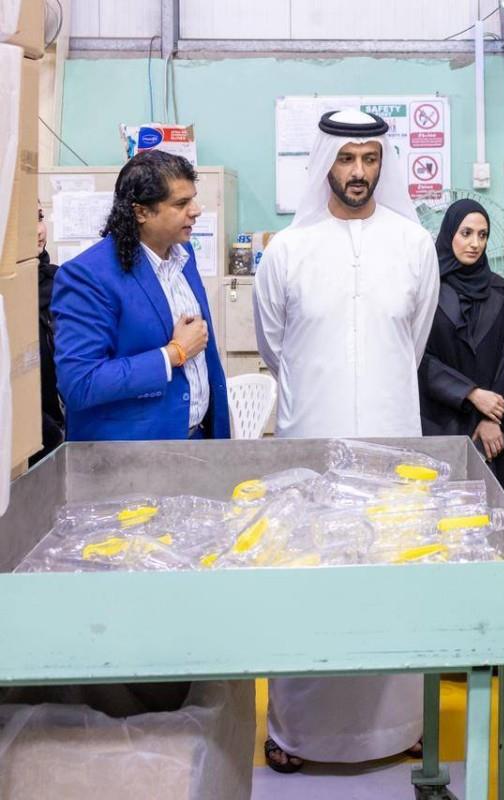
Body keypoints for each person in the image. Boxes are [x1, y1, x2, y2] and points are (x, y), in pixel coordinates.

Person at [253, 109, 439, 773]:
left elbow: (413, 342)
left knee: (394, 576)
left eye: (370, 158)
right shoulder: (287, 251)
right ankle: (296, 732)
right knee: (309, 581)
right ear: (324, 162)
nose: (358, 172)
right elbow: (275, 349)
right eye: (346, 158)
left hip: (393, 450)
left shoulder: (414, 244)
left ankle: (400, 726)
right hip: (311, 448)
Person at [51, 150, 229, 442]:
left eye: (193, 199)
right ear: (141, 212)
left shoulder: (183, 254)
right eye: (181, 203)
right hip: (131, 455)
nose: (196, 210)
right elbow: (80, 383)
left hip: (195, 441)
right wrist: (173, 354)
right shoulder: (88, 276)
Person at [419, 199, 504, 524]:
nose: (475, 243)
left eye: (482, 235)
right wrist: (470, 393)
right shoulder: (427, 289)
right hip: (440, 422)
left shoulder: (499, 290)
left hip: (492, 428)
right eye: (466, 233)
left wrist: (493, 417)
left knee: (499, 523)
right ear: (448, 234)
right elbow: (418, 357)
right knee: (444, 523)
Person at [30, 203, 64, 464]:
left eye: (39, 217)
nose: (39, 230)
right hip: (31, 440)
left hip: (62, 436)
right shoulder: (9, 296)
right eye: (27, 221)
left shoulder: (59, 282)